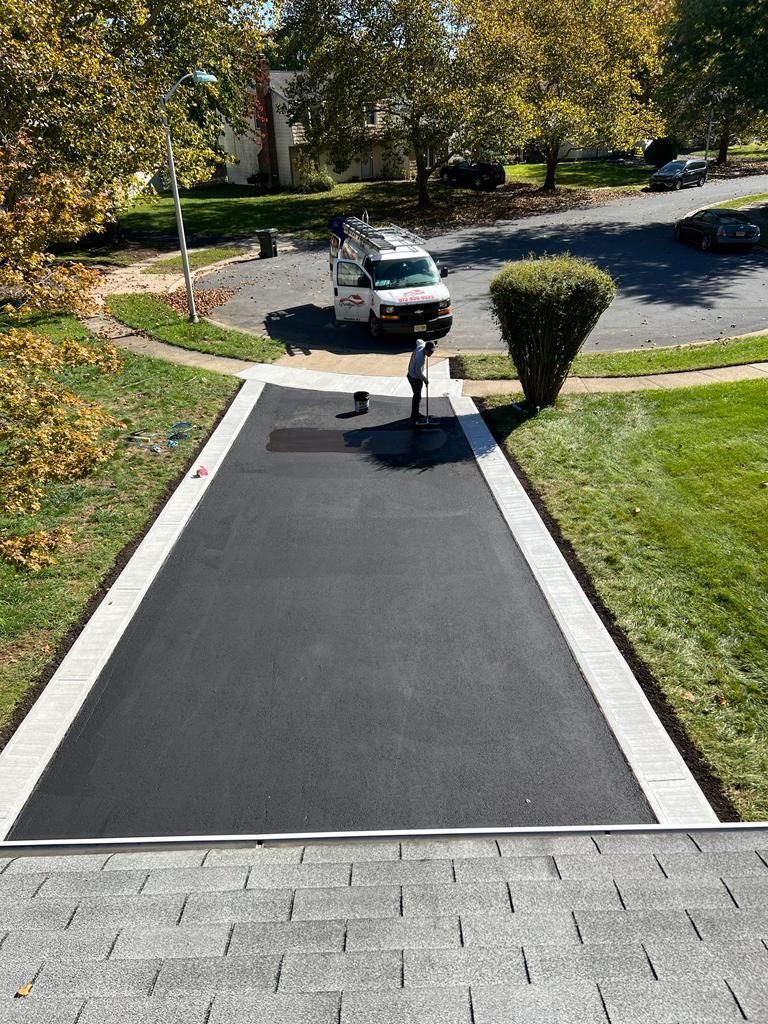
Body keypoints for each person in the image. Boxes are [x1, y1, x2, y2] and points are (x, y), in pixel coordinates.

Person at [406, 338, 435, 424]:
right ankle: (414, 416)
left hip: (414, 374)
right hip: (413, 377)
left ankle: (415, 413)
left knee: (417, 395)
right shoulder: (420, 358)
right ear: (425, 350)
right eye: (430, 352)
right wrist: (425, 380)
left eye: (432, 352)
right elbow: (418, 373)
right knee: (417, 396)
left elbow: (419, 340)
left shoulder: (422, 345)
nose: (431, 354)